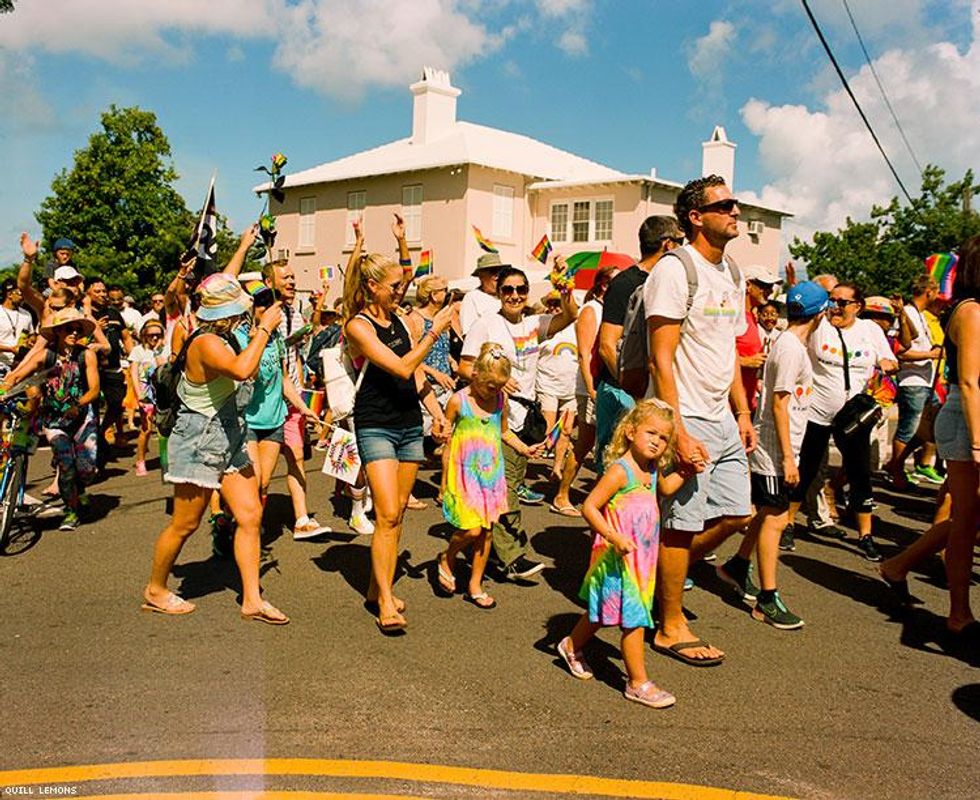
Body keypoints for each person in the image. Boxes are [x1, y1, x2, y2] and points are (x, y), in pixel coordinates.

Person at [646, 175, 756, 666]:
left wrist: (743, 412)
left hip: (723, 416)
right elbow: (659, 359)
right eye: (726, 205)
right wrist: (679, 430)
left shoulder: (732, 272)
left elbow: (729, 349)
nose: (736, 212)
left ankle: (655, 577)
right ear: (696, 216)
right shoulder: (675, 270)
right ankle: (669, 625)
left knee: (739, 512)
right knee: (680, 525)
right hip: (685, 412)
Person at [142, 273, 289, 624]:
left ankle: (252, 598)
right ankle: (155, 589)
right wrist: (265, 330)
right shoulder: (205, 342)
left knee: (251, 514)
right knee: (185, 523)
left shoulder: (223, 337)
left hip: (229, 435)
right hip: (199, 439)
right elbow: (241, 370)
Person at [343, 251, 456, 633]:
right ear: (373, 286)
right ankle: (386, 602)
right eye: (394, 286)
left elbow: (415, 376)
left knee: (399, 512)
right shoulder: (358, 327)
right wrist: (434, 331)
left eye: (403, 286)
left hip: (409, 422)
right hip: (375, 424)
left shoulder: (400, 321)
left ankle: (377, 588)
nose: (400, 291)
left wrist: (437, 415)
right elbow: (401, 365)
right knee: (387, 513)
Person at [556, 399, 684, 708]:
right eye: (651, 433)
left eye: (664, 438)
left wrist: (688, 471)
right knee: (633, 619)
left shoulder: (650, 469)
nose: (657, 442)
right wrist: (613, 536)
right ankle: (638, 682)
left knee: (602, 613)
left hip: (642, 560)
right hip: (617, 558)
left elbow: (665, 490)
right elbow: (589, 506)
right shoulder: (620, 471)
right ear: (629, 432)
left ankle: (571, 644)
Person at [720, 281, 828, 629]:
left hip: (782, 445)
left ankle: (737, 565)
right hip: (774, 448)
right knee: (776, 519)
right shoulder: (791, 349)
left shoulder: (791, 343)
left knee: (767, 511)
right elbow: (779, 405)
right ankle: (767, 597)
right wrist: (787, 458)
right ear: (821, 314)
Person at [459, 264, 577, 580]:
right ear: (498, 292)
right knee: (505, 488)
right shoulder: (487, 325)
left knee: (509, 483)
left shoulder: (533, 324)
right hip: (496, 416)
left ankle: (485, 552)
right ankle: (511, 557)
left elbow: (570, 317)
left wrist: (565, 291)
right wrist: (494, 379)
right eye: (508, 289)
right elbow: (465, 366)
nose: (515, 295)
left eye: (521, 290)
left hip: (526, 417)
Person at [785, 282, 898, 561]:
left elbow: (891, 360)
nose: (835, 307)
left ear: (857, 307)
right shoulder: (819, 325)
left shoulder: (870, 330)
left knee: (860, 473)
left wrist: (883, 366)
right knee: (807, 468)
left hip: (854, 417)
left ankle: (866, 536)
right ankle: (787, 523)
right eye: (831, 300)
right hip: (817, 410)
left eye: (842, 302)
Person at [437, 344, 539, 609]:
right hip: (464, 473)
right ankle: (447, 557)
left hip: (492, 474)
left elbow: (504, 432)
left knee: (486, 532)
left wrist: (525, 448)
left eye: (500, 386)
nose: (495, 391)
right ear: (475, 376)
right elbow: (446, 442)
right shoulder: (459, 401)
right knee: (470, 529)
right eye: (490, 385)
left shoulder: (500, 401)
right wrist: (442, 480)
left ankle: (475, 584)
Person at [595, 216, 683, 470]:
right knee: (615, 466)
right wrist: (634, 390)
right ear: (667, 244)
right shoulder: (624, 284)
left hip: (651, 392)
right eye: (680, 241)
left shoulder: (669, 282)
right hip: (621, 391)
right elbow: (607, 346)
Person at [2, 308, 100, 530]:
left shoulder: (87, 355)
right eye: (68, 329)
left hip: (83, 417)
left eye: (77, 329)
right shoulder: (46, 355)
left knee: (86, 470)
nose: (74, 333)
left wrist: (78, 405)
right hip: (54, 419)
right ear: (57, 331)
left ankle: (79, 490)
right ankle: (71, 512)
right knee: (66, 464)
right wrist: (4, 388)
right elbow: (18, 374)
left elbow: (94, 389)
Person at [234, 283, 321, 527]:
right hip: (247, 418)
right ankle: (240, 525)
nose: (273, 311)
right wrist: (256, 341)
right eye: (265, 305)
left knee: (263, 482)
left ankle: (249, 524)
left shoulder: (277, 339)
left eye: (275, 306)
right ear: (253, 309)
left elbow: (284, 379)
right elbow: (245, 375)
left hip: (274, 418)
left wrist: (303, 408)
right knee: (254, 478)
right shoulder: (238, 337)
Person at [930, 234, 980, 638]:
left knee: (967, 518)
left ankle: (898, 566)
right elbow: (968, 382)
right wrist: (979, 443)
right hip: (968, 422)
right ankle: (958, 612)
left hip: (970, 419)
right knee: (965, 521)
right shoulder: (971, 311)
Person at [552, 264, 618, 516]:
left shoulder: (609, 309)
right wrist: (592, 389)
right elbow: (583, 352)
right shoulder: (591, 310)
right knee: (587, 444)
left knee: (593, 442)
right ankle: (562, 495)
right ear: (603, 285)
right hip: (591, 385)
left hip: (603, 384)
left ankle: (575, 494)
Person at [884, 275, 943, 490]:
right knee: (908, 429)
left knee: (930, 428)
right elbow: (899, 351)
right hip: (912, 381)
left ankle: (895, 464)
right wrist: (930, 354)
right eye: (936, 292)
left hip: (926, 381)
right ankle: (897, 471)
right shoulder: (907, 313)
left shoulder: (918, 315)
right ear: (929, 292)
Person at [87, 277, 134, 457]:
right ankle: (93, 445)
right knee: (92, 407)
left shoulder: (114, 313)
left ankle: (101, 430)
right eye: (97, 291)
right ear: (88, 294)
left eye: (103, 291)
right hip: (93, 368)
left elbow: (126, 337)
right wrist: (95, 328)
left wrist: (133, 358)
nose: (102, 294)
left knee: (117, 404)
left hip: (114, 367)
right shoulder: (85, 314)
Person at [535, 291, 578, 483]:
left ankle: (557, 467)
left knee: (567, 430)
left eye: (558, 303)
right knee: (548, 430)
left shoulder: (576, 327)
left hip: (571, 387)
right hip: (547, 385)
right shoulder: (543, 327)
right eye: (551, 303)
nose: (554, 307)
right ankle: (533, 455)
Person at [736, 264, 781, 416]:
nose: (769, 290)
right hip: (730, 407)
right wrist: (744, 362)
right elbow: (713, 352)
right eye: (764, 285)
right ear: (747, 285)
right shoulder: (733, 315)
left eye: (771, 286)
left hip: (747, 404)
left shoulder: (751, 318)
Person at [128, 319, 167, 476]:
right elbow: (134, 374)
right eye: (151, 335)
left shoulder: (164, 349)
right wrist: (139, 395)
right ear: (144, 335)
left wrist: (158, 352)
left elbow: (164, 370)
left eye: (158, 335)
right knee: (146, 429)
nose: (155, 338)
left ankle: (165, 461)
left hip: (162, 393)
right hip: (146, 394)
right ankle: (140, 460)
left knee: (165, 429)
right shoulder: (138, 351)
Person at [459, 253, 502, 335]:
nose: (497, 276)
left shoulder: (507, 296)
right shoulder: (472, 298)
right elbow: (468, 334)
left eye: (500, 272)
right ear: (481, 276)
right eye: (492, 271)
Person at [0, 279, 34, 377]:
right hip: (2, 363)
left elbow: (31, 334)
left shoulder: (26, 314)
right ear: (9, 294)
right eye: (20, 293)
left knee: (35, 392)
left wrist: (31, 340)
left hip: (21, 363)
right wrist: (10, 349)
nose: (23, 296)